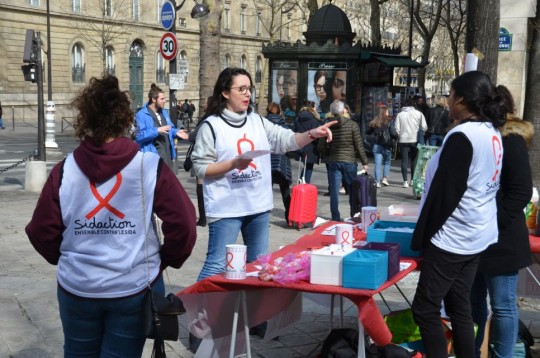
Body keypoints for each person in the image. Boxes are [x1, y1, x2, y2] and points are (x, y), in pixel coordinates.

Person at [25, 75, 197, 357]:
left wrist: (69, 257)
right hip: (131, 287)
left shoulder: (65, 170)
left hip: (77, 287)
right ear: (124, 119)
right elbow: (185, 223)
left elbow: (40, 231)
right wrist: (166, 258)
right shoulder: (148, 166)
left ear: (86, 120)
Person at [191, 67, 335, 283]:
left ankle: (255, 318)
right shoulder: (211, 126)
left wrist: (312, 134)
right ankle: (198, 312)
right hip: (226, 208)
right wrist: (233, 164)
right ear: (225, 93)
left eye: (249, 89)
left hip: (257, 207)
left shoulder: (257, 121)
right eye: (241, 89)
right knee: (217, 264)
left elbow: (285, 140)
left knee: (259, 266)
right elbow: (201, 168)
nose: (247, 94)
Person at [410, 70, 506, 358]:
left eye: (450, 95)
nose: (447, 101)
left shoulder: (464, 135)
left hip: (454, 237)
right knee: (459, 305)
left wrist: (422, 238)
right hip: (477, 231)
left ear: (462, 99)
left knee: (425, 309)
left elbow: (445, 195)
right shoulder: (491, 131)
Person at [470, 86, 534, 358]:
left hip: (503, 238)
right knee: (472, 303)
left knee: (503, 304)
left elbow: (521, 190)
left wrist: (493, 220)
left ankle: (503, 355)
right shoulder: (474, 136)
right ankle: (473, 351)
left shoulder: (511, 139)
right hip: (473, 236)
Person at [318, 100, 369, 221]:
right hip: (349, 161)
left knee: (334, 191)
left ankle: (335, 216)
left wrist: (329, 153)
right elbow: (359, 145)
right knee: (352, 190)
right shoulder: (352, 125)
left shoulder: (326, 125)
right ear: (343, 110)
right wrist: (365, 162)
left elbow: (320, 146)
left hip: (334, 161)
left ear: (331, 112)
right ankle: (354, 214)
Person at [134, 84, 188, 169]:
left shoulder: (164, 112)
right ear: (154, 99)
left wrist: (176, 132)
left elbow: (169, 129)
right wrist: (157, 130)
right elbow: (139, 136)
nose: (165, 101)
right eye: (162, 99)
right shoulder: (141, 115)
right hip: (152, 159)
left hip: (167, 156)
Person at [188, 96, 212, 227]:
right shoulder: (218, 118)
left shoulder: (206, 119)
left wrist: (189, 135)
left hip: (203, 155)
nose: (203, 105)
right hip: (214, 157)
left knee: (200, 184)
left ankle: (203, 217)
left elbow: (194, 135)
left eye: (206, 102)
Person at [267, 102, 292, 221]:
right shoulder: (284, 125)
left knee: (266, 191)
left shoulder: (262, 123)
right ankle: (289, 216)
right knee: (285, 190)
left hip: (266, 162)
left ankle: (264, 219)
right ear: (279, 111)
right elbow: (289, 142)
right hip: (281, 162)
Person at [394, 98, 427, 188]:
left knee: (404, 161)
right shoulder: (419, 114)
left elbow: (396, 128)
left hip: (403, 140)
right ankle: (413, 179)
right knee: (414, 160)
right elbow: (424, 127)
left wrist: (400, 134)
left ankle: (405, 181)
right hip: (415, 140)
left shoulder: (400, 115)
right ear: (414, 105)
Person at [366, 102, 395, 188]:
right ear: (384, 112)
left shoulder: (374, 122)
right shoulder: (389, 122)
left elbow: (367, 132)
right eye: (386, 111)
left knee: (377, 164)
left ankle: (377, 181)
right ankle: (385, 179)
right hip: (386, 145)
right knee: (387, 162)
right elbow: (394, 133)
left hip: (377, 145)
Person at [294, 100, 322, 184]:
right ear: (312, 108)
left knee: (305, 166)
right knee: (309, 167)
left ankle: (301, 183)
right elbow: (316, 135)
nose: (316, 108)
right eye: (315, 106)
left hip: (300, 144)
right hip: (311, 146)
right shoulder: (314, 120)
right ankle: (305, 184)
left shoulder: (298, 118)